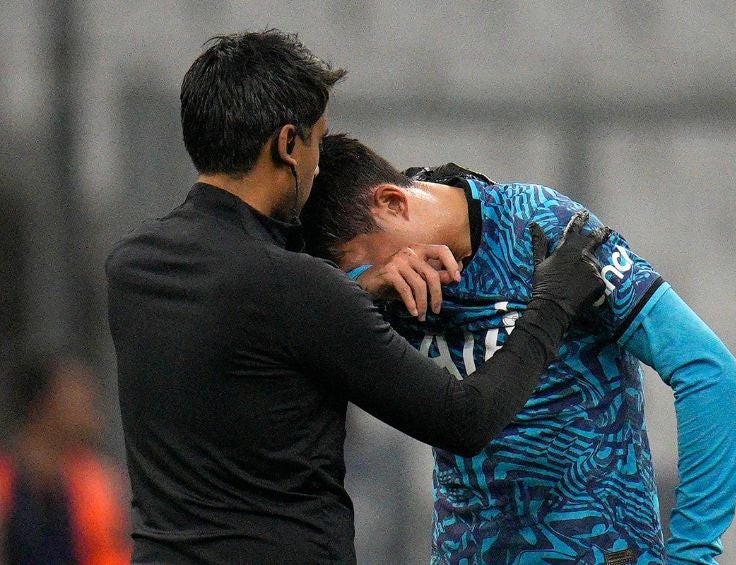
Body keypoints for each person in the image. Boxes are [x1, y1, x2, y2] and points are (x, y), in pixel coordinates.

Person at [104, 31, 609, 564]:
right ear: (287, 145)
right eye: (318, 141)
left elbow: (242, 344)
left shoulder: (133, 268)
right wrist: (554, 300)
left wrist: (358, 290)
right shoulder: (296, 289)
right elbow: (465, 419)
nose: (319, 165)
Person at [299, 134, 736, 565]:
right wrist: (360, 286)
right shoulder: (367, 294)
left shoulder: (541, 227)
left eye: (358, 265)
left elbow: (707, 369)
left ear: (394, 203)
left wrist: (692, 554)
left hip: (599, 549)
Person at [0, 354, 131, 565]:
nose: (89, 402)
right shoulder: (6, 482)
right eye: (74, 392)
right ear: (41, 405)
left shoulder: (95, 481)